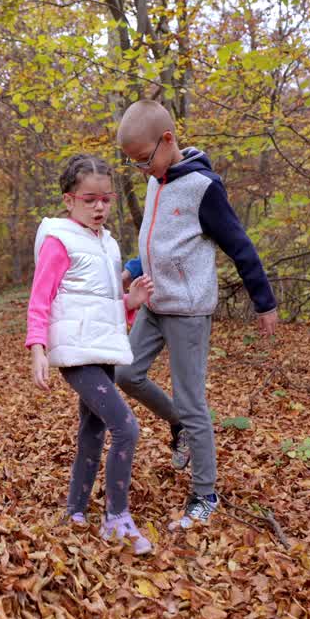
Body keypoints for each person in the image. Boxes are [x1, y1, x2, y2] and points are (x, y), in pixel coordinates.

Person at [114, 99, 278, 530]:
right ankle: (179, 427)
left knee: (192, 402)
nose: (141, 169)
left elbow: (240, 246)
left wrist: (264, 302)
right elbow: (155, 244)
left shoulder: (204, 188)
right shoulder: (156, 181)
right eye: (133, 163)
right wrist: (130, 271)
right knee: (125, 374)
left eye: (144, 159)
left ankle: (205, 494)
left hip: (187, 310)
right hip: (153, 301)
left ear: (167, 140)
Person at [26, 154, 156, 555]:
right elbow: (40, 297)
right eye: (90, 199)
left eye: (106, 199)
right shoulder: (59, 240)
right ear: (69, 200)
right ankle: (116, 518)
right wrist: (38, 348)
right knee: (126, 426)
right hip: (76, 353)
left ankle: (75, 510)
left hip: (101, 347)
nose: (99, 207)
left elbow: (98, 301)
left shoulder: (108, 243)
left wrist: (129, 302)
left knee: (94, 430)